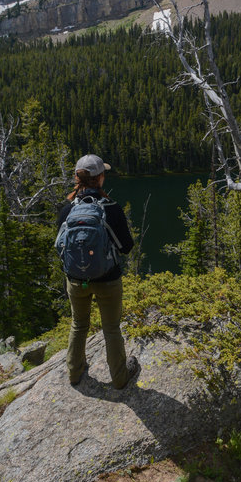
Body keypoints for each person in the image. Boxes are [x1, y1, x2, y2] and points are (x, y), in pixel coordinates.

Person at [58, 153, 138, 387]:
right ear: (100, 178)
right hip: (108, 280)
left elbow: (59, 246)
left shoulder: (67, 210)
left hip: (75, 280)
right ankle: (120, 377)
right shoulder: (110, 208)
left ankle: (74, 373)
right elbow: (126, 247)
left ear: (77, 178)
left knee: (78, 324)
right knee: (111, 328)